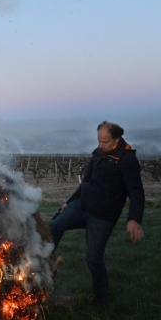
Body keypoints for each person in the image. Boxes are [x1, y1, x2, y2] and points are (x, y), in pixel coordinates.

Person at [50, 121, 145, 310]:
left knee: (93, 258)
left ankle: (102, 295)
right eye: (99, 141)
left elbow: (136, 191)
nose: (101, 145)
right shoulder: (97, 153)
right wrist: (69, 201)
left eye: (105, 142)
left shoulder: (127, 160)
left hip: (102, 216)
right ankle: (41, 267)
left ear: (116, 139)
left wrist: (134, 219)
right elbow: (86, 182)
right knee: (54, 227)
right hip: (81, 205)